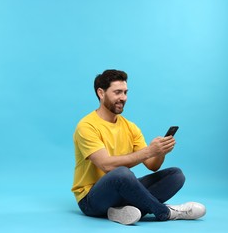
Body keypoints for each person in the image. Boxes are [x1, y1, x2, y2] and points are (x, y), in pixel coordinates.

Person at [71, 69, 206, 225]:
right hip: (91, 200)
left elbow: (152, 165)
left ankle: (120, 211)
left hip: (122, 191)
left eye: (125, 92)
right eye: (117, 92)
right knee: (122, 173)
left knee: (176, 175)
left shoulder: (130, 127)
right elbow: (106, 165)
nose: (123, 98)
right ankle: (166, 212)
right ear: (101, 93)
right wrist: (149, 151)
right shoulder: (86, 126)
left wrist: (160, 151)